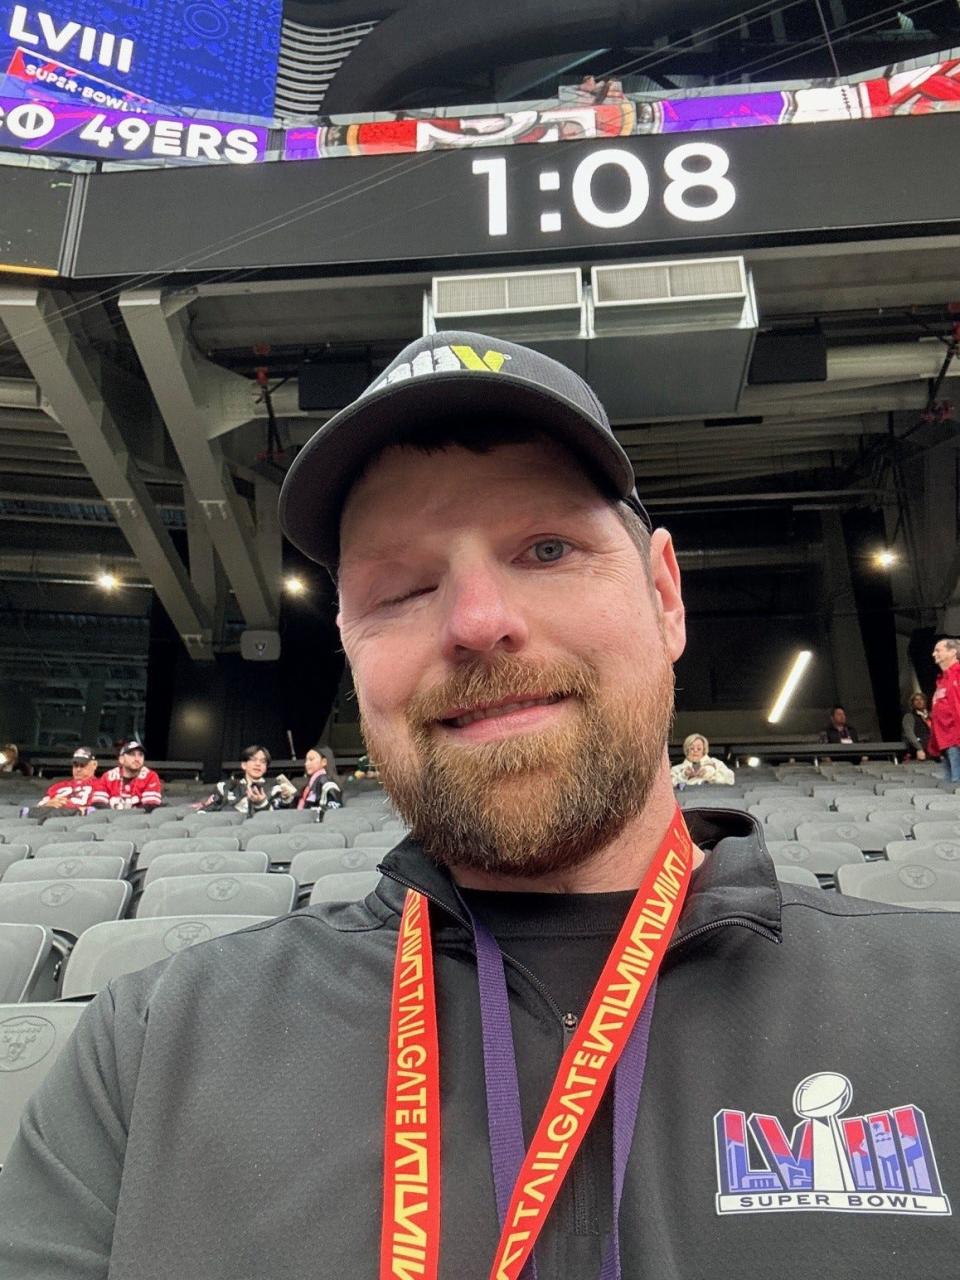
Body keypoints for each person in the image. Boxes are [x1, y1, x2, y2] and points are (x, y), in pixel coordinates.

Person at [2, 332, 958, 1279]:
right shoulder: (154, 1044)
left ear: (667, 597)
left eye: (546, 549)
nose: (474, 622)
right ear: (349, 648)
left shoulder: (941, 1002)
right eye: (403, 588)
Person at [194, 743, 275, 815]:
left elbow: (276, 819)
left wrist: (262, 803)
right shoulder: (226, 787)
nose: (258, 764)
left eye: (263, 761)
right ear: (244, 765)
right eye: (253, 760)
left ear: (266, 768)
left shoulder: (275, 789)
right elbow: (209, 809)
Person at [33, 745, 107, 812]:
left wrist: (70, 807)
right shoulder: (57, 786)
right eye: (75, 765)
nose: (78, 769)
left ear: (94, 765)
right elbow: (38, 807)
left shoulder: (101, 784)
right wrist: (48, 804)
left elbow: (98, 809)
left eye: (82, 765)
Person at [928, 637, 960, 783]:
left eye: (938, 650)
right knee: (950, 785)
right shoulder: (942, 679)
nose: (934, 654)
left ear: (952, 652)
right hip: (944, 741)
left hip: (956, 740)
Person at [99, 740, 164, 810]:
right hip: (110, 819)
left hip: (139, 819)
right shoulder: (108, 776)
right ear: (121, 759)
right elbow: (98, 803)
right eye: (132, 754)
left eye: (140, 755)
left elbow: (151, 806)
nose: (137, 759)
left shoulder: (150, 776)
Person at [283, 744, 344, 811]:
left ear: (324, 762)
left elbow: (332, 808)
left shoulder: (326, 783)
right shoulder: (311, 784)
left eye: (311, 759)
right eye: (306, 760)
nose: (306, 763)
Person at [669, 732, 735, 787]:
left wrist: (710, 775)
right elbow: (670, 785)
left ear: (704, 750)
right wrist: (684, 775)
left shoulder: (716, 763)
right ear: (686, 750)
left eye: (699, 748)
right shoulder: (676, 769)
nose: (695, 751)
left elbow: (730, 779)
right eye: (692, 748)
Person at [902, 691, 931, 760]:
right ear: (912, 703)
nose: (919, 701)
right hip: (921, 750)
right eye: (916, 700)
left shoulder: (931, 716)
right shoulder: (909, 716)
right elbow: (910, 734)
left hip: (934, 749)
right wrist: (919, 748)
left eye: (921, 699)